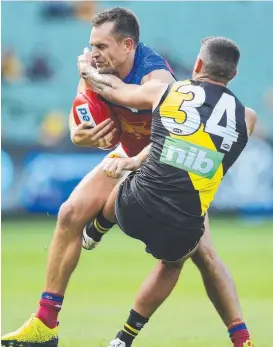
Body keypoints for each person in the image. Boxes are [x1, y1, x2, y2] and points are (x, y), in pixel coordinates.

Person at [0, 7, 251, 347]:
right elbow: (81, 113)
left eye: (102, 46)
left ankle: (241, 337)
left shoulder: (157, 80)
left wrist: (133, 160)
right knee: (70, 213)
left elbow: (174, 140)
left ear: (128, 45)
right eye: (92, 45)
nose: (94, 53)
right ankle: (45, 323)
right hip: (129, 155)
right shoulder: (94, 66)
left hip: (169, 164)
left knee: (204, 255)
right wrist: (79, 134)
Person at [78, 36, 257, 347]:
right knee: (174, 263)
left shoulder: (170, 91)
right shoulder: (247, 117)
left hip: (133, 209)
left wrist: (86, 71)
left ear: (198, 65)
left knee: (128, 173)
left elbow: (115, 90)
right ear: (234, 75)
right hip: (184, 224)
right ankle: (123, 339)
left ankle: (97, 228)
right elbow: (195, 146)